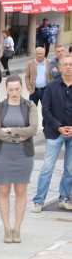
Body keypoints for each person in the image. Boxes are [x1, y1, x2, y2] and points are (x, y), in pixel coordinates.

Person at [0, 75, 38, 244]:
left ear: (21, 88)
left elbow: (33, 129)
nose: (14, 92)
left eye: (17, 89)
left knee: (20, 191)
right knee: (3, 191)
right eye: (11, 89)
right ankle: (6, 228)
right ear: (6, 89)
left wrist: (10, 129)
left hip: (23, 155)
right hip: (3, 154)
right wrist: (17, 137)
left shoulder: (30, 105)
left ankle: (17, 228)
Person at [32, 54, 72, 213]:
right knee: (47, 167)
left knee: (70, 168)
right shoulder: (51, 86)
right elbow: (46, 110)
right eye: (65, 64)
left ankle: (64, 198)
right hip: (56, 132)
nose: (68, 67)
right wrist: (59, 127)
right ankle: (39, 200)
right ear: (59, 68)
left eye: (71, 64)